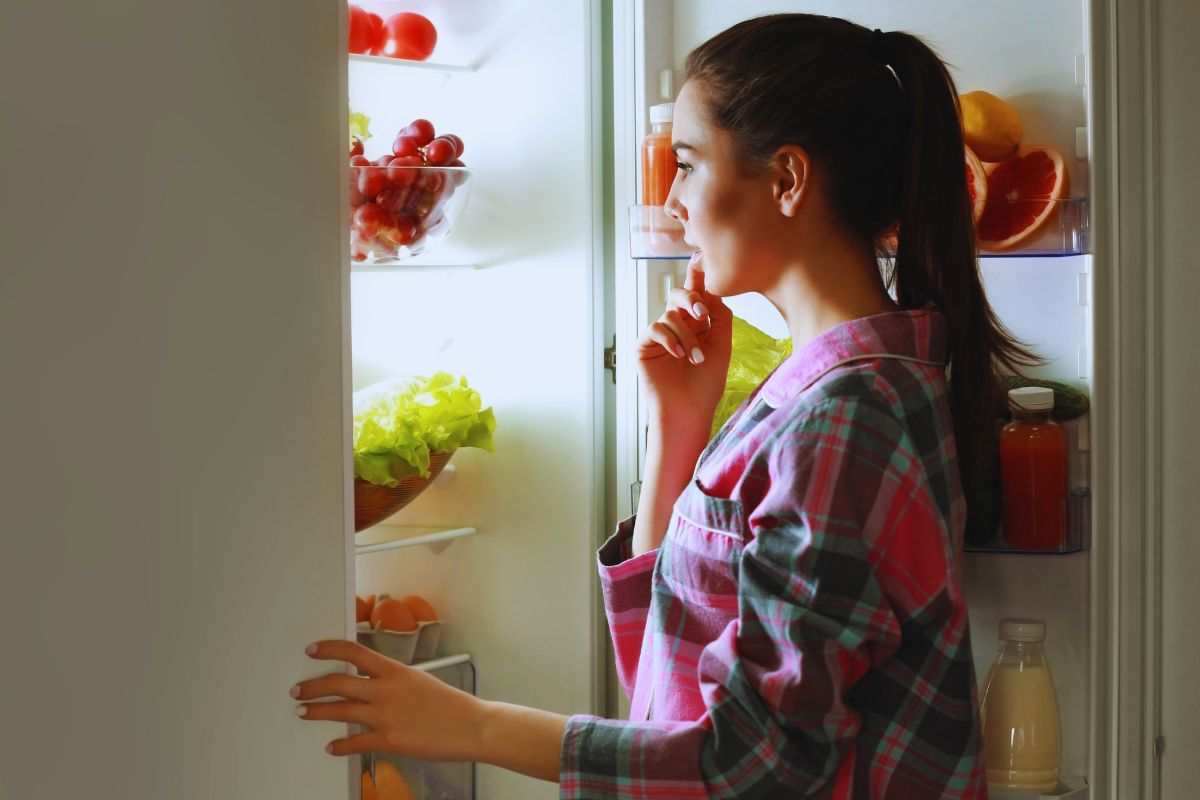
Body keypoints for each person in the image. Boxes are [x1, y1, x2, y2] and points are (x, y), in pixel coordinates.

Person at [292, 14, 1037, 798]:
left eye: (686, 164)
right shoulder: (834, 389)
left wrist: (473, 726)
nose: (672, 199)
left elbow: (756, 763)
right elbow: (668, 676)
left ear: (786, 179)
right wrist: (677, 431)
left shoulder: (847, 417)